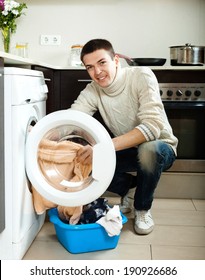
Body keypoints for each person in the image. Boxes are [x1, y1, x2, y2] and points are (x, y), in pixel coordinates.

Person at [71, 39, 178, 235]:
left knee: (149, 149)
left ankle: (142, 208)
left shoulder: (141, 75)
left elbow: (152, 127)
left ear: (116, 60)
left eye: (102, 62)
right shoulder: (93, 90)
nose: (97, 72)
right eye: (90, 67)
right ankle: (129, 189)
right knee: (83, 158)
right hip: (128, 149)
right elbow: (72, 120)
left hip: (160, 148)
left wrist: (103, 147)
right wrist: (42, 133)